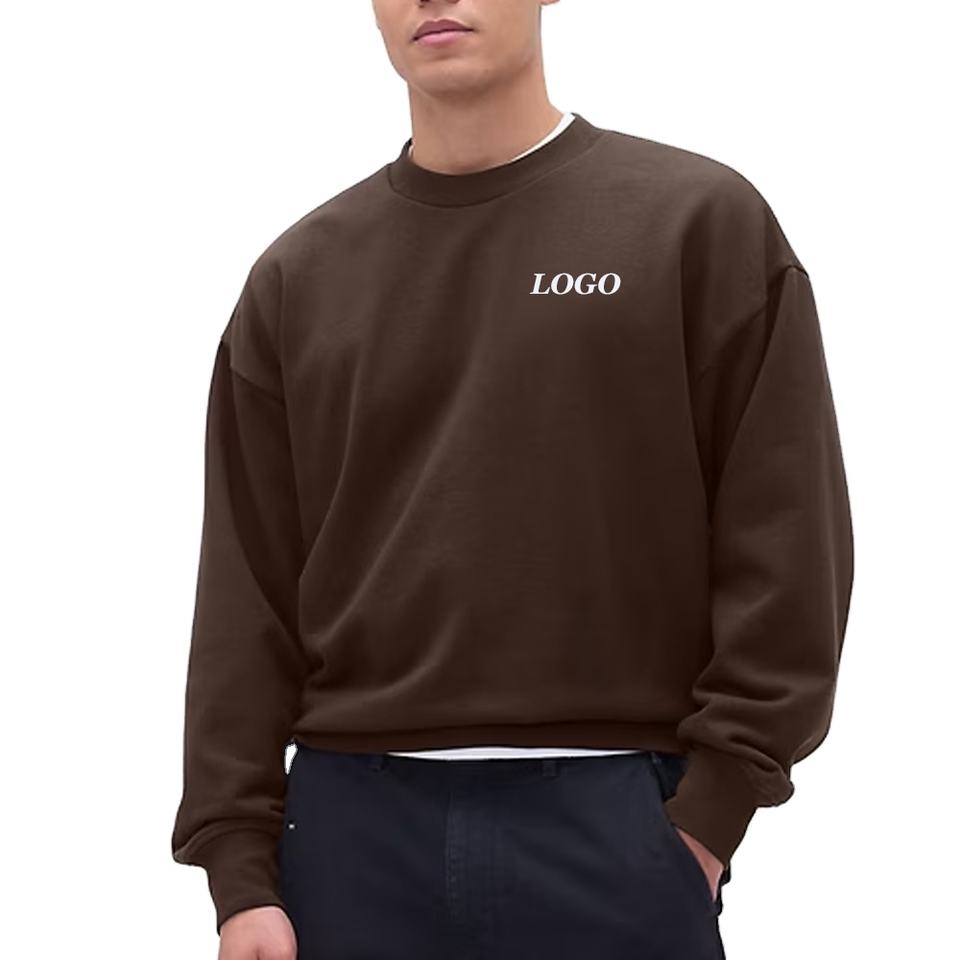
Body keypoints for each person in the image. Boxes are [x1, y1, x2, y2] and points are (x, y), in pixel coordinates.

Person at [171, 2, 855, 958]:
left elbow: (786, 537)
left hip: (615, 823)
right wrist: (238, 870)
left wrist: (710, 813)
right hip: (349, 836)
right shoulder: (299, 275)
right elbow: (245, 589)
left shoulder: (695, 222)